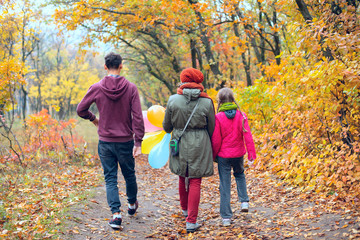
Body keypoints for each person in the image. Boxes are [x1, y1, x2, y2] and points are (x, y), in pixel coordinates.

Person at [76, 52, 144, 229]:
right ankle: (131, 205)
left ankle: (116, 215)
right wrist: (138, 142)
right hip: (125, 141)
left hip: (105, 142)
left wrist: (94, 119)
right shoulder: (131, 88)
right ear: (121, 66)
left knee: (110, 178)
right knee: (129, 174)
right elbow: (137, 116)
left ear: (105, 67)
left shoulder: (97, 87)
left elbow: (80, 109)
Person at [163, 68, 215, 233]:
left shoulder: (173, 100)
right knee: (195, 181)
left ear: (183, 81)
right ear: (199, 82)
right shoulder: (207, 102)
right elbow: (212, 128)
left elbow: (166, 127)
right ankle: (191, 221)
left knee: (181, 175)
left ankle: (184, 209)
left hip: (179, 141)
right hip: (200, 143)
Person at [211, 87, 256, 227]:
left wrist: (214, 155)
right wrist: (251, 153)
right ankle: (244, 201)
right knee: (240, 175)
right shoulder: (241, 115)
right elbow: (247, 135)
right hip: (238, 154)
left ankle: (226, 218)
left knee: (224, 185)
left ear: (220, 101)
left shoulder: (218, 117)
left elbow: (216, 139)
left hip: (224, 156)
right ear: (233, 99)